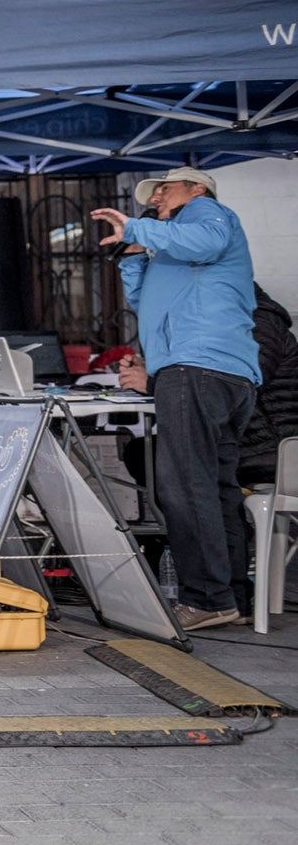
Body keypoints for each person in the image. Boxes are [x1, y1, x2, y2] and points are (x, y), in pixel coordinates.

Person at [94, 167, 260, 630]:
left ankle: (206, 598)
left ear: (197, 189)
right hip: (217, 370)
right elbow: (146, 301)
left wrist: (139, 228)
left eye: (166, 188)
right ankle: (233, 599)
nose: (158, 196)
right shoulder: (174, 246)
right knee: (215, 487)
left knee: (184, 486)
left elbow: (203, 242)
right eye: (154, 193)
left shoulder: (209, 214)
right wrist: (133, 253)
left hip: (198, 366)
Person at [241, 285, 298, 486]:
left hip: (273, 450)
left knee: (170, 462)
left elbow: (244, 383)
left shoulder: (258, 323)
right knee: (147, 454)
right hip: (257, 446)